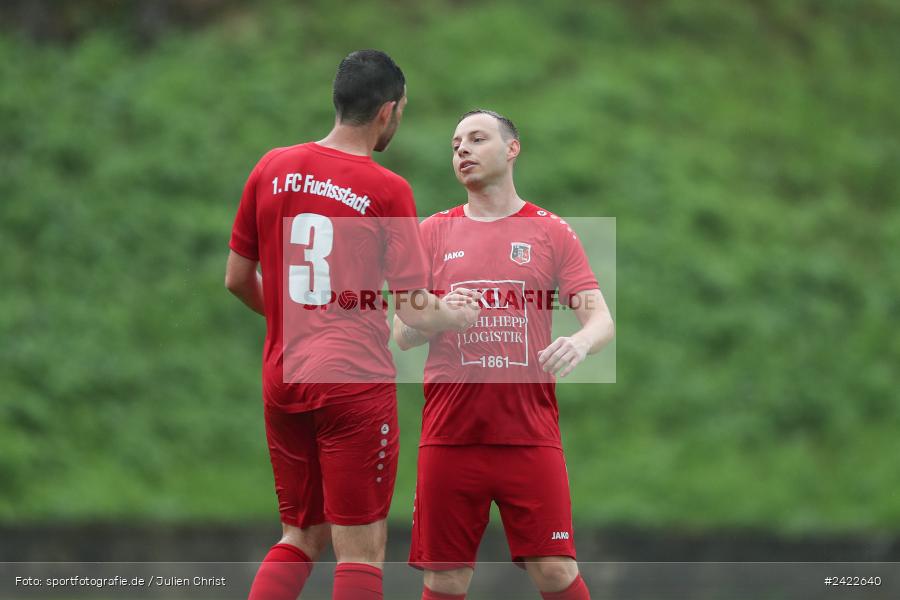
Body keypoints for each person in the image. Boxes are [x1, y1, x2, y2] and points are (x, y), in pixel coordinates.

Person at [226, 50, 480, 600]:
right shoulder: (386, 189)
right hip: (352, 382)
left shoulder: (271, 167)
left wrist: (298, 318)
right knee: (361, 550)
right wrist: (457, 314)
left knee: (300, 535)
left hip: (284, 377)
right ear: (388, 111)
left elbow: (237, 278)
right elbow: (414, 309)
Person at [393, 109, 615, 600]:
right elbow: (402, 334)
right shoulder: (433, 232)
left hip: (528, 433)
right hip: (451, 434)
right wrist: (441, 315)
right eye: (455, 144)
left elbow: (601, 320)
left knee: (555, 570)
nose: (462, 150)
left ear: (512, 149)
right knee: (445, 578)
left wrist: (579, 342)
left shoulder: (550, 231)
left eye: (477, 139)